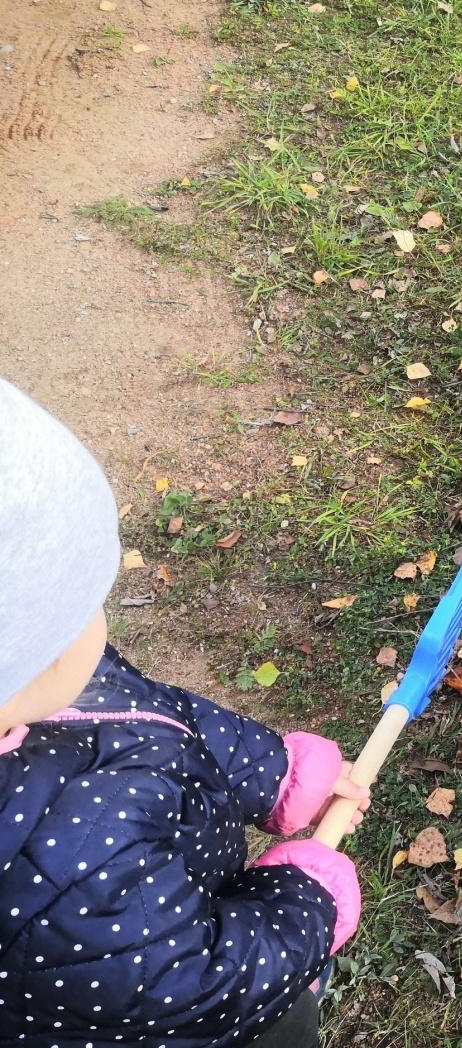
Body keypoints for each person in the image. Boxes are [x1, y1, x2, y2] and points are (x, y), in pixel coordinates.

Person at [0, 378, 368, 1047]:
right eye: (84, 603)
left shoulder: (45, 683)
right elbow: (199, 987)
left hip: (181, 898)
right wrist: (303, 905)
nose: (98, 622)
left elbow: (150, 715)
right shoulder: (62, 876)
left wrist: (278, 775)